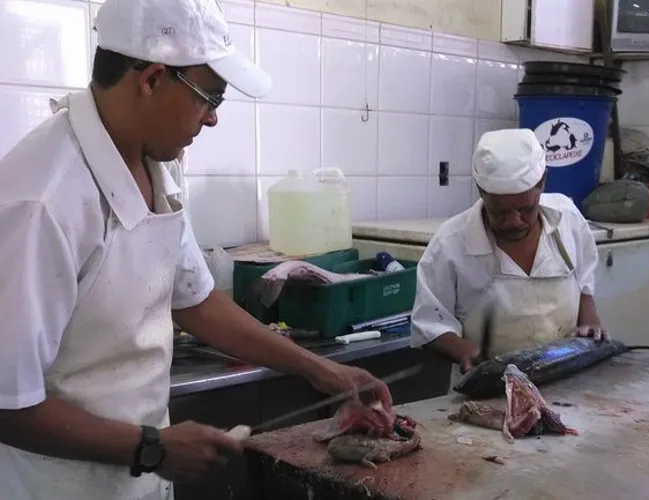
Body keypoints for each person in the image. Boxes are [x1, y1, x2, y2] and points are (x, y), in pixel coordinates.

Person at [0, 0, 392, 498]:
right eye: (210, 98)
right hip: (55, 486)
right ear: (152, 80)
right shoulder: (42, 200)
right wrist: (150, 448)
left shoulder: (157, 162)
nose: (211, 120)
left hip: (136, 481)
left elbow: (196, 301)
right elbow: (7, 404)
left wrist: (324, 371)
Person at [410, 128, 608, 376]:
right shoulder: (450, 244)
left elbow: (585, 280)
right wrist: (463, 350)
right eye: (500, 212)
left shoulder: (567, 218)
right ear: (482, 193)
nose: (514, 222)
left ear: (542, 182)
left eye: (526, 209)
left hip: (565, 376)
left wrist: (589, 320)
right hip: (490, 387)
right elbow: (429, 323)